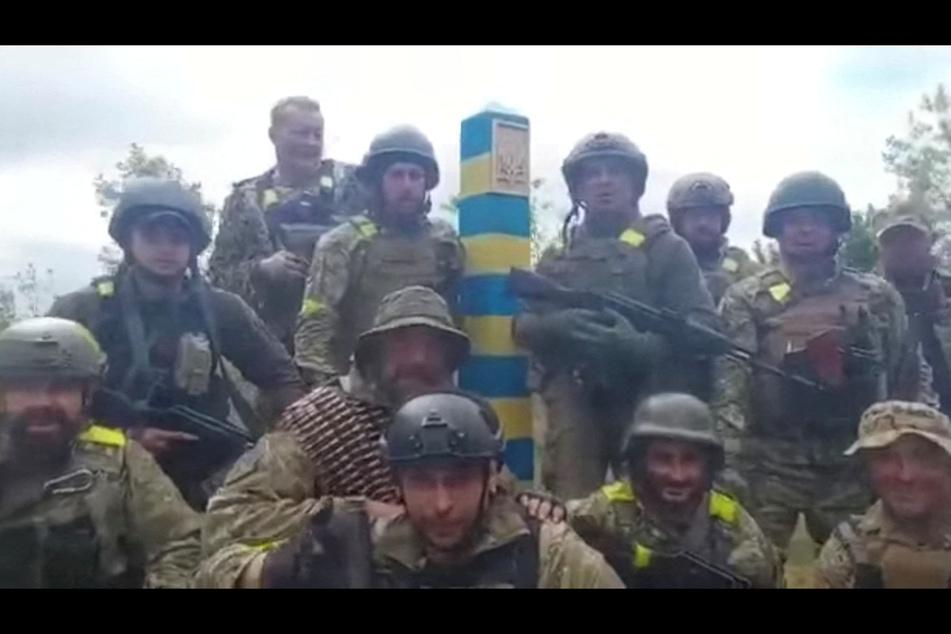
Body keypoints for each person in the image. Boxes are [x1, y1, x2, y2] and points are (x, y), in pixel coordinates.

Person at [48, 177, 305, 510]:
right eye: (151, 236)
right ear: (128, 240)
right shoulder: (84, 309)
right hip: (99, 462)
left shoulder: (220, 308)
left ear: (193, 246)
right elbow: (41, 398)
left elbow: (280, 376)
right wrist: (126, 442)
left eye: (177, 238)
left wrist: (292, 439)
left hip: (201, 466)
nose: (165, 248)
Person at [197, 390, 624, 588]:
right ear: (396, 484)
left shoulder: (546, 555)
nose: (441, 504)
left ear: (490, 476)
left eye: (457, 480)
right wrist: (277, 571)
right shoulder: (365, 547)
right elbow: (209, 575)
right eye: (422, 482)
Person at [713, 171, 932, 555]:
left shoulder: (878, 296)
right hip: (769, 462)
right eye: (794, 221)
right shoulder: (747, 298)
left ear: (836, 230)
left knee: (867, 566)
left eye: (816, 220)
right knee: (746, 568)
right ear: (776, 230)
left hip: (851, 463)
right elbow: (732, 384)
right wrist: (727, 462)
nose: (805, 230)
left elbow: (907, 374)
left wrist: (909, 453)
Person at [512, 131, 721, 500]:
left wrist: (639, 347)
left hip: (647, 401)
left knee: (653, 507)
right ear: (577, 188)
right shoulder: (559, 258)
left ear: (635, 184)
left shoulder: (667, 249)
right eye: (592, 174)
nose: (604, 181)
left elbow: (704, 328)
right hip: (576, 402)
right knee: (571, 510)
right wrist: (557, 326)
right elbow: (522, 326)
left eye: (615, 172)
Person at [0, 317, 201, 588]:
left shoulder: (118, 460)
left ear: (88, 394)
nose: (42, 402)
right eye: (25, 388)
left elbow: (181, 544)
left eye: (61, 387)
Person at [523, 393, 782, 588]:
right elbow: (539, 532)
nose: (677, 475)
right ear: (639, 461)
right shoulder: (602, 513)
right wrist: (539, 507)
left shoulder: (732, 523)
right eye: (663, 459)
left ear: (708, 466)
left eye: (690, 460)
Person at [293, 124, 465, 386]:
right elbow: (316, 322)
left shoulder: (444, 240)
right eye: (397, 175)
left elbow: (458, 317)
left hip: (429, 382)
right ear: (378, 182)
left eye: (415, 176)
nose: (406, 185)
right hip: (362, 384)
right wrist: (325, 388)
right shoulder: (343, 243)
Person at [207, 96, 364, 353]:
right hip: (269, 355)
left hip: (347, 348)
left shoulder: (355, 187)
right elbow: (217, 279)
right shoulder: (245, 201)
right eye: (301, 133)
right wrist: (262, 271)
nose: (311, 143)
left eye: (317, 134)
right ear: (274, 135)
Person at [816, 400, 951, 588]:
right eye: (886, 458)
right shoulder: (850, 548)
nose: (906, 475)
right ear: (867, 468)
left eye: (922, 456)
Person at [875, 202, 951, 417]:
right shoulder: (866, 302)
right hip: (894, 429)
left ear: (930, 244)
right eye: (893, 242)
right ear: (880, 251)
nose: (903, 248)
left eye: (912, 239)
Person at [666, 172, 762, 305]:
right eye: (694, 216)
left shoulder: (742, 265)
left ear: (724, 220)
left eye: (711, 215)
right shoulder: (659, 263)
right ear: (678, 221)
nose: (703, 223)